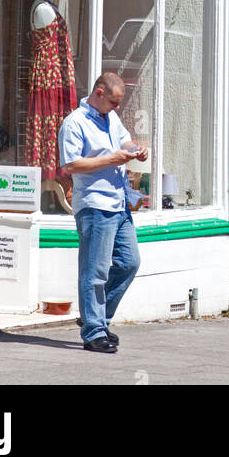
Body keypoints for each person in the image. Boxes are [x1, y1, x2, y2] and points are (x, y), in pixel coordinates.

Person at [58, 71, 148, 352]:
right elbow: (71, 165)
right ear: (99, 93)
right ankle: (94, 330)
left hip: (119, 202)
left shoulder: (111, 117)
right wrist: (111, 159)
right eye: (114, 101)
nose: (117, 107)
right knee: (95, 271)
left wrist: (136, 149)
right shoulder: (74, 123)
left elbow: (123, 141)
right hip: (95, 204)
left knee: (129, 262)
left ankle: (94, 317)